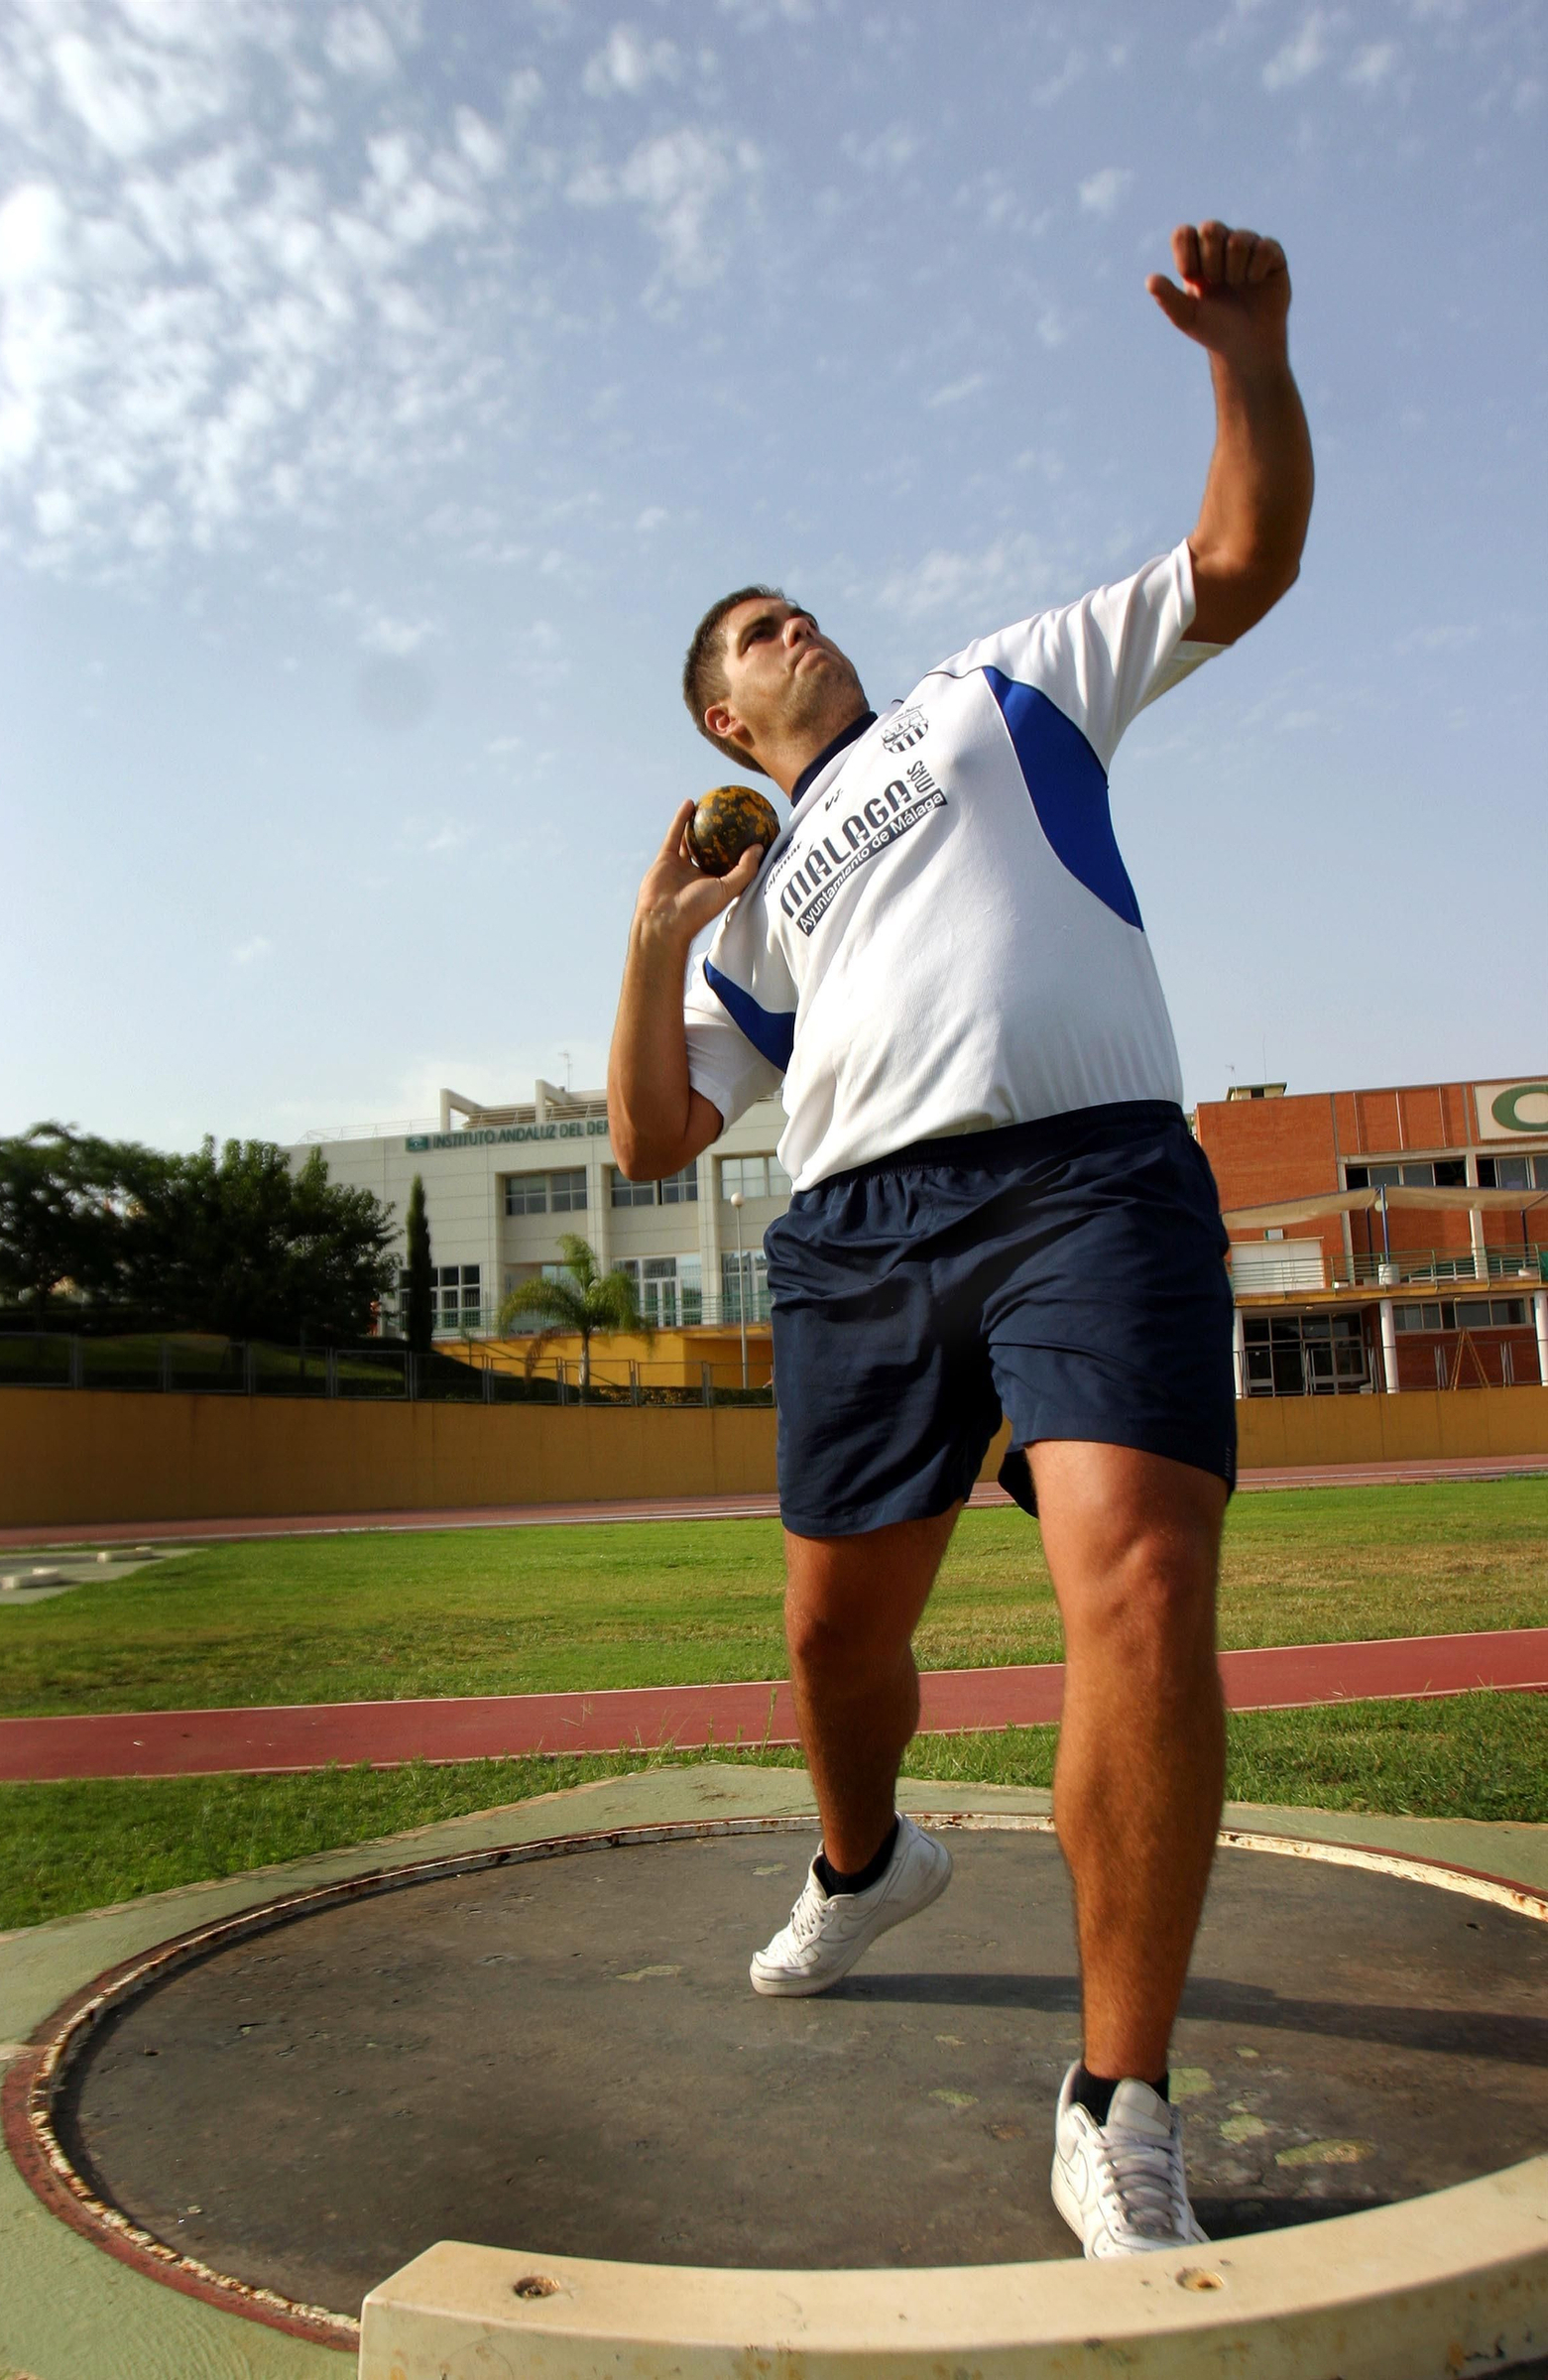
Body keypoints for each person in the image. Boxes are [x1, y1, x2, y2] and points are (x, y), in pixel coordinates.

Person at [607, 220, 1312, 2258]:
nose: (786, 623)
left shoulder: (995, 692)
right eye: (747, 629)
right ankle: (860, 1864)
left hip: (1088, 1180)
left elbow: (1237, 561)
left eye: (788, 604)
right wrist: (650, 940)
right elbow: (656, 1135)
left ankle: (1114, 2101)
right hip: (854, 1240)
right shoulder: (748, 920)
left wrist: (1243, 356)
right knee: (837, 1640)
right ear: (720, 719)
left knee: (1142, 1575)